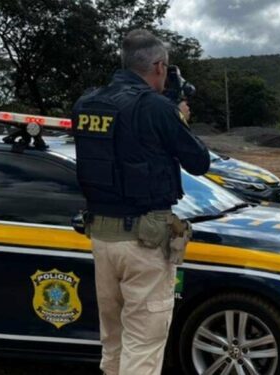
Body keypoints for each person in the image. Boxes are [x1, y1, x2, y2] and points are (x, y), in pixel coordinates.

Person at [71, 29, 210, 375]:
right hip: (143, 244)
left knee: (114, 340)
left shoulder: (87, 103)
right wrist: (178, 117)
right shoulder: (156, 108)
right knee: (144, 344)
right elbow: (199, 162)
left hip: (102, 239)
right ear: (159, 66)